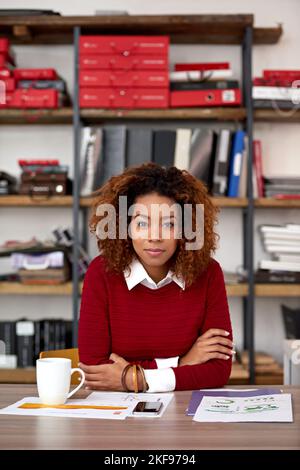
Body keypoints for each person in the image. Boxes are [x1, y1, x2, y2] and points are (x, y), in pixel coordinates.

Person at [78, 162, 234, 393]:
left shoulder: (208, 273)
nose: (154, 237)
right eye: (141, 223)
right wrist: (181, 363)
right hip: (115, 419)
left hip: (183, 414)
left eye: (169, 224)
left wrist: (134, 379)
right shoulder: (101, 273)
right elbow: (94, 370)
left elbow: (219, 370)